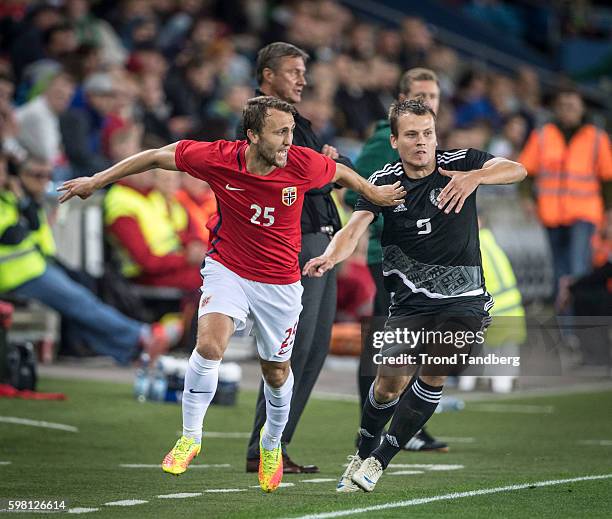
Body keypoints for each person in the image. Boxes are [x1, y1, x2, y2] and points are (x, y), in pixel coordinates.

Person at [57, 96, 406, 493]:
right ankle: (190, 436)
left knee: (276, 372)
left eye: (291, 131)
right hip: (229, 269)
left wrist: (374, 195)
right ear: (253, 135)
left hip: (280, 283)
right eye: (280, 132)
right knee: (209, 345)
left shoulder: (302, 163)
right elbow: (156, 156)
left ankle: (271, 445)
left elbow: (342, 172)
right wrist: (95, 181)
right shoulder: (219, 157)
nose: (289, 141)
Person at [303, 99, 526, 492]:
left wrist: (475, 177)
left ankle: (377, 462)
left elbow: (517, 169)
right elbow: (353, 229)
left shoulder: (459, 161)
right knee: (389, 383)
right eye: (411, 135)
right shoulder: (385, 182)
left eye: (427, 134)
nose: (421, 142)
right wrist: (330, 256)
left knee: (436, 369)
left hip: (465, 299)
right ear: (394, 140)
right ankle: (362, 448)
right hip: (409, 303)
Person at [241, 42, 354, 474]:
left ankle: (275, 445)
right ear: (267, 75)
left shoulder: (297, 123)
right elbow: (291, 175)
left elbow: (333, 166)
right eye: (293, 71)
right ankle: (262, 447)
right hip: (297, 240)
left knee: (315, 348)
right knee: (292, 348)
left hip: (321, 239)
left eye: (303, 71)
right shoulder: (260, 123)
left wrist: (327, 165)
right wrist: (324, 169)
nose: (302, 79)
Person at [344, 67, 446, 452]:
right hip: (387, 256)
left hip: (422, 260)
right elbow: (357, 192)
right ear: (400, 100)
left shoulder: (428, 140)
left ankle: (405, 426)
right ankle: (373, 427)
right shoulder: (382, 142)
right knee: (385, 343)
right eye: (420, 96)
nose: (428, 104)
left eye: (433, 97)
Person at [0, 154, 171, 365]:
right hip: (16, 273)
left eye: (47, 175)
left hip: (37, 264)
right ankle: (140, 336)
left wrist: (24, 203)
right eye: (36, 175)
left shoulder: (13, 199)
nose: (43, 180)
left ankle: (127, 350)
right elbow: (12, 235)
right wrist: (23, 205)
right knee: (79, 302)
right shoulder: (12, 199)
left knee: (83, 293)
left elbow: (32, 226)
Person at [518, 88, 612, 297]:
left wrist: (609, 212)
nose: (567, 110)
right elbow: (524, 171)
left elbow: (608, 179)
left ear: (581, 109)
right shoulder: (542, 136)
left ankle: (579, 322)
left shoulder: (597, 138)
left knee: (578, 267)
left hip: (584, 214)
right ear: (556, 109)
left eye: (572, 106)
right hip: (551, 215)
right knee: (559, 271)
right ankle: (566, 325)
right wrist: (526, 199)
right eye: (562, 106)